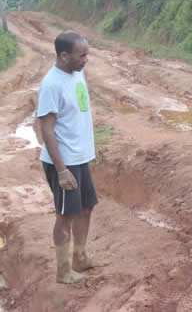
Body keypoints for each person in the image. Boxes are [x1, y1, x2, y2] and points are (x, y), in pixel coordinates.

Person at [37, 30, 107, 284]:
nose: (86, 59)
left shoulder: (77, 74)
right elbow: (47, 128)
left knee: (86, 208)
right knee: (65, 215)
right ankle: (63, 270)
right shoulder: (51, 84)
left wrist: (87, 150)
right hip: (63, 162)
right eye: (81, 55)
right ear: (64, 56)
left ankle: (80, 256)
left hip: (79, 158)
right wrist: (62, 170)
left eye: (87, 54)